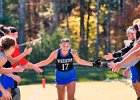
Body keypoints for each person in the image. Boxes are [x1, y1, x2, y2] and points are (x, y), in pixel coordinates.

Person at [34, 38, 100, 100]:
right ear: (60, 45)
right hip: (60, 75)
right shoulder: (56, 53)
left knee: (71, 98)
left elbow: (80, 61)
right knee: (61, 98)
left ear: (69, 46)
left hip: (71, 75)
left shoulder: (73, 52)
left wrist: (93, 64)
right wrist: (33, 66)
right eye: (63, 46)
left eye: (67, 46)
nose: (65, 47)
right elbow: (46, 61)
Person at [2, 26, 43, 100]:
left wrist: (24, 66)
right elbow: (15, 61)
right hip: (6, 76)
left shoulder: (9, 48)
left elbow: (16, 61)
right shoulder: (5, 51)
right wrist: (33, 66)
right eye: (13, 34)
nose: (16, 37)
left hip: (8, 74)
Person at [0, 35, 26, 100]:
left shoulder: (2, 55)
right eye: (14, 47)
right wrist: (3, 90)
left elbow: (1, 70)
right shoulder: (2, 58)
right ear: (11, 47)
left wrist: (14, 71)